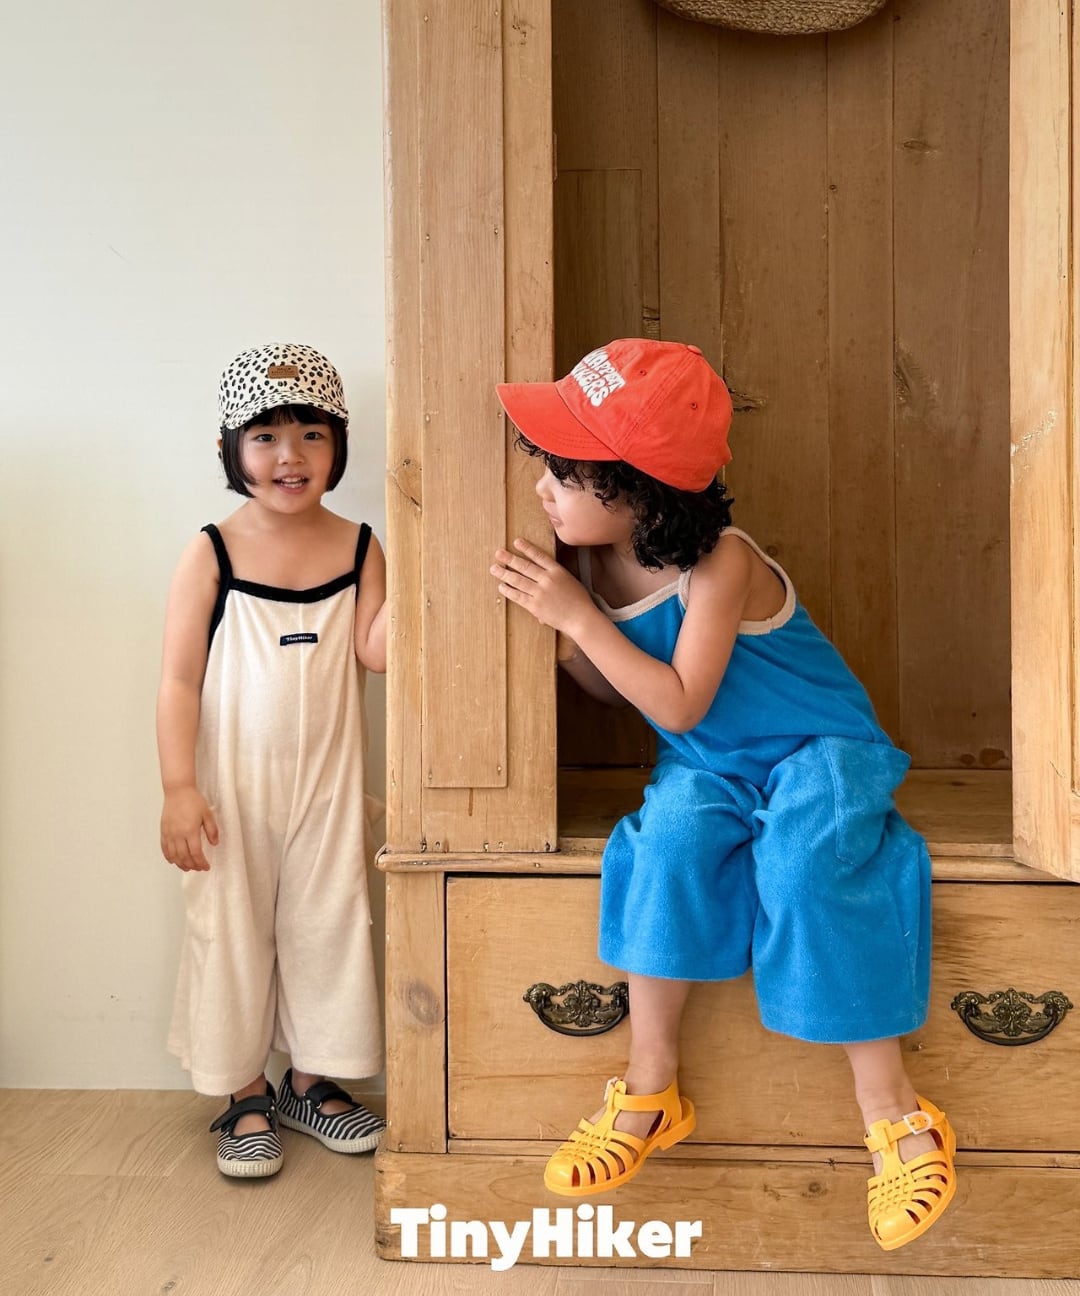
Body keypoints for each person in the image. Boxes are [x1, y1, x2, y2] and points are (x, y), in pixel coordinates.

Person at [489, 338, 956, 1251]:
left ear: (638, 490)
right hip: (711, 765)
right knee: (665, 843)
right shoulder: (589, 556)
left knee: (808, 864)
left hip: (819, 750)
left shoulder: (721, 562)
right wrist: (563, 636)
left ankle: (894, 1109)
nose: (544, 486)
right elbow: (621, 688)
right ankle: (650, 1089)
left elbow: (676, 700)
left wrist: (575, 617)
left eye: (567, 474)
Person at [158, 342, 386, 1178]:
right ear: (232, 449)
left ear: (338, 444)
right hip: (231, 792)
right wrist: (179, 788)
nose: (290, 456)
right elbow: (178, 678)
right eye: (266, 436)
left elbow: (377, 652)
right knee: (231, 930)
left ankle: (312, 1081)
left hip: (329, 784)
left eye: (311, 435)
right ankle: (244, 1091)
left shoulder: (361, 547)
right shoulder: (212, 550)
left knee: (330, 924)